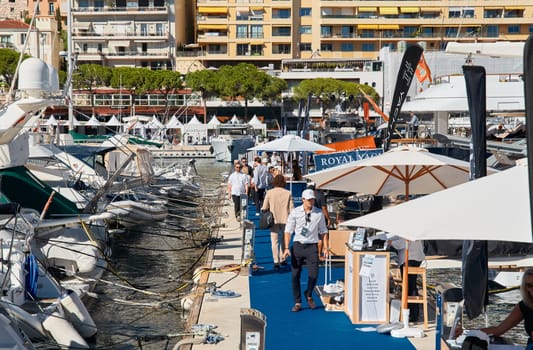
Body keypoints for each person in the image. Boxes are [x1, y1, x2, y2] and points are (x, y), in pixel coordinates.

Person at [283, 189, 329, 312]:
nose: (311, 202)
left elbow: (324, 231)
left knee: (314, 275)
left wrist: (325, 247)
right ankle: (297, 302)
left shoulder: (319, 213)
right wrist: (286, 247)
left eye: (312, 199)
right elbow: (288, 230)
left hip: (312, 247)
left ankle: (308, 293)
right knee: (295, 275)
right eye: (309, 200)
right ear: (303, 199)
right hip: (298, 246)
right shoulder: (295, 212)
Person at [480, 268, 533, 346]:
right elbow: (499, 329)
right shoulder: (524, 305)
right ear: (526, 287)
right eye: (529, 285)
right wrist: (470, 333)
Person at [388, 237, 425, 322]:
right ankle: (412, 313)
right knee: (411, 285)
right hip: (415, 257)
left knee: (409, 286)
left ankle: (412, 315)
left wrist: (391, 242)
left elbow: (403, 243)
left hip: (410, 258)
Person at [262, 175, 294, 270]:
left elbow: (264, 207)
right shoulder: (288, 193)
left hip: (273, 220)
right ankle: (283, 258)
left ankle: (276, 261)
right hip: (285, 219)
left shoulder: (269, 192)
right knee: (284, 240)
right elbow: (291, 208)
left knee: (274, 241)